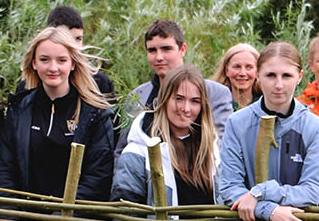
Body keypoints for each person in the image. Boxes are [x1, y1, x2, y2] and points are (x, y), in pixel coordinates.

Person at [218, 41, 319, 221]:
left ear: (300, 77)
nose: (278, 85)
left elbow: (313, 189)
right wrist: (269, 210)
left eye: (286, 75)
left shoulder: (314, 127)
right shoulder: (237, 123)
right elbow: (229, 186)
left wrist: (261, 191)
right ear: (258, 76)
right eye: (270, 75)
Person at [0, 26, 114, 201]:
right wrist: (9, 219)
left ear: (73, 63)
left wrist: (58, 220)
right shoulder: (20, 109)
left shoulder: (95, 114)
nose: (53, 67)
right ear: (34, 62)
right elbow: (4, 171)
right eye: (44, 59)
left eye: (62, 60)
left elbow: (98, 179)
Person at [118, 20, 233, 157]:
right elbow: (122, 151)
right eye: (152, 50)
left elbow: (223, 148)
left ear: (182, 49)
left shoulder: (215, 93)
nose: (159, 57)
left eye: (166, 49)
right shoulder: (136, 97)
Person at [111, 64, 218, 206]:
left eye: (194, 101)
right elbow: (125, 213)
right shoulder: (139, 151)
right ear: (165, 99)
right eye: (178, 98)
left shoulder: (213, 151)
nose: (185, 109)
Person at [45, 5, 116, 103]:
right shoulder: (30, 87)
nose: (74, 45)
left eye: (78, 39)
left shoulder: (99, 82)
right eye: (67, 38)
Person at [212, 43, 260, 109]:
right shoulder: (214, 105)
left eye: (249, 67)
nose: (242, 73)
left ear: (257, 72)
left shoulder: (266, 104)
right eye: (237, 67)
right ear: (227, 71)